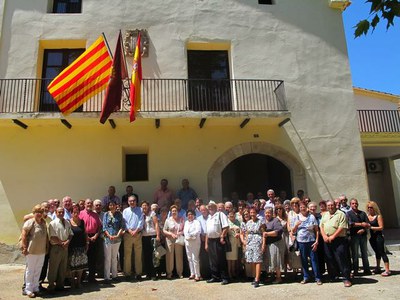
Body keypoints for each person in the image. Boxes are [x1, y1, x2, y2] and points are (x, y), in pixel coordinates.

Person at [320, 200, 352, 287]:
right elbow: (321, 226)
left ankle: (346, 278)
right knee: (329, 258)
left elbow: (342, 227)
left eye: (332, 205)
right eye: (329, 205)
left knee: (341, 258)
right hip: (326, 240)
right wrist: (324, 236)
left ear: (335, 205)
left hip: (338, 239)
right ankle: (333, 276)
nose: (330, 207)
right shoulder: (325, 214)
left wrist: (333, 236)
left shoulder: (341, 214)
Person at [20, 205, 48, 298]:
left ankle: (36, 288)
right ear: (34, 213)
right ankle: (28, 289)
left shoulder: (43, 223)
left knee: (38, 269)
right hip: (31, 251)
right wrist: (24, 247)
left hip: (41, 251)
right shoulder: (30, 222)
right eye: (37, 212)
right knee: (30, 271)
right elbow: (24, 234)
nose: (39, 214)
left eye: (41, 212)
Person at [292, 202, 322, 285]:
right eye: (301, 207)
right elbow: (293, 231)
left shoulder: (312, 217)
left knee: (314, 260)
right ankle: (306, 277)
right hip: (301, 242)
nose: (302, 209)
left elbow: (316, 230)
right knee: (304, 260)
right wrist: (296, 226)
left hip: (311, 241)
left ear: (307, 208)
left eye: (304, 207)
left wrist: (316, 241)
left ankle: (317, 277)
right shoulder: (296, 217)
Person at [48, 207, 73, 292]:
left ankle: (60, 285)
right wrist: (62, 243)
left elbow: (70, 234)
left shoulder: (67, 222)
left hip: (65, 248)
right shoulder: (52, 223)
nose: (61, 213)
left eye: (62, 212)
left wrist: (67, 242)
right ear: (56, 212)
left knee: (63, 267)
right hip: (56, 248)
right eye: (59, 212)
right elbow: (52, 236)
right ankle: (51, 286)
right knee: (53, 267)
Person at [205, 200, 229, 285]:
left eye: (212, 206)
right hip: (210, 240)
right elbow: (207, 232)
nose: (210, 207)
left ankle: (225, 278)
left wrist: (222, 236)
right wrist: (206, 244)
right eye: (209, 206)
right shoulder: (208, 217)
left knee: (221, 259)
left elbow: (226, 227)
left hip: (219, 240)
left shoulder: (220, 214)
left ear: (215, 207)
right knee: (212, 260)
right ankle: (215, 277)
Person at [79, 198, 102, 283]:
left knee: (93, 258)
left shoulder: (95, 214)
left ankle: (91, 277)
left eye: (90, 203)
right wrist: (87, 237)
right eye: (87, 203)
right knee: (84, 259)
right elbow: (79, 227)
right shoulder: (80, 214)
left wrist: (96, 235)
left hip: (94, 238)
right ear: (84, 204)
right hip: (84, 238)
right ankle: (82, 278)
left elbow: (99, 227)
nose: (89, 205)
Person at [346, 198, 371, 276]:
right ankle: (356, 270)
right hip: (354, 236)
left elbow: (368, 224)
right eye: (353, 203)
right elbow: (350, 224)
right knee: (355, 254)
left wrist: (363, 229)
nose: (355, 205)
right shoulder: (348, 214)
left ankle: (367, 270)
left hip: (363, 236)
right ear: (350, 205)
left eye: (356, 203)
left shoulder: (362, 213)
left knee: (364, 253)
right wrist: (361, 224)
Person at [122, 195, 144, 280]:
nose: (132, 202)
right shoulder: (125, 211)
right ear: (128, 202)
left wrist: (136, 230)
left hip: (137, 234)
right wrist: (129, 230)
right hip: (128, 234)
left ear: (136, 201)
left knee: (138, 254)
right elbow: (124, 222)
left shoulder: (140, 210)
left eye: (133, 200)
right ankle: (127, 273)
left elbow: (141, 221)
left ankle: (138, 273)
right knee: (127, 255)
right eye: (130, 201)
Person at [367, 201, 391, 276]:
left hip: (378, 237)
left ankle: (387, 269)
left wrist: (372, 227)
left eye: (371, 207)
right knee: (376, 252)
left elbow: (381, 227)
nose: (370, 209)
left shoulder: (378, 216)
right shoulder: (368, 216)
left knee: (382, 252)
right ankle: (378, 267)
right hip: (372, 237)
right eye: (368, 207)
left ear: (374, 208)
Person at [103, 200, 125, 283]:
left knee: (114, 257)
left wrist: (117, 235)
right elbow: (104, 227)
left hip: (117, 239)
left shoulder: (119, 215)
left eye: (113, 205)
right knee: (107, 258)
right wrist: (109, 236)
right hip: (107, 239)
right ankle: (107, 277)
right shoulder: (105, 214)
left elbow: (122, 226)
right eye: (110, 205)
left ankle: (115, 275)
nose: (111, 206)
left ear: (116, 206)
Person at [244, 207, 265, 288]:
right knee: (252, 260)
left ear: (256, 213)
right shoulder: (248, 222)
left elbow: (263, 234)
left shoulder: (260, 222)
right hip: (250, 242)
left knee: (258, 261)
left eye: (254, 212)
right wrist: (245, 243)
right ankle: (254, 277)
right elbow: (246, 233)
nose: (252, 214)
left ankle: (257, 279)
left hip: (257, 242)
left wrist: (263, 244)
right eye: (251, 213)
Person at [163, 205, 185, 279]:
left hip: (178, 239)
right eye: (173, 211)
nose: (174, 212)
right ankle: (169, 273)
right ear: (171, 212)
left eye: (175, 211)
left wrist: (179, 234)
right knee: (169, 256)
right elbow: (164, 230)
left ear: (178, 212)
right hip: (169, 239)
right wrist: (171, 234)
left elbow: (184, 230)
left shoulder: (181, 219)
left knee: (179, 256)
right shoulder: (168, 220)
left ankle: (180, 273)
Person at [69, 204, 88, 288]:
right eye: (74, 212)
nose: (75, 214)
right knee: (72, 266)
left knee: (81, 266)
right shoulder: (68, 222)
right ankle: (73, 282)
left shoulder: (82, 222)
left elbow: (85, 233)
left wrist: (87, 243)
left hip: (81, 247)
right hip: (72, 247)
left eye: (77, 212)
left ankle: (79, 282)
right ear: (71, 213)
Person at [263, 207, 284, 284]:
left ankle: (278, 278)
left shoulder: (275, 220)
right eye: (266, 213)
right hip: (268, 244)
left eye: (269, 213)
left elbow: (277, 232)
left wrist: (267, 234)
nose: (267, 214)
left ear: (272, 214)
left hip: (275, 243)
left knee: (276, 260)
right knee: (270, 261)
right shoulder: (264, 222)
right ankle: (272, 277)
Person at [141, 201, 160, 280]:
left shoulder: (152, 214)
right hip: (144, 236)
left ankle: (153, 274)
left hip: (152, 235)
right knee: (146, 255)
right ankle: (148, 273)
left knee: (154, 255)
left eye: (145, 205)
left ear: (148, 206)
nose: (144, 207)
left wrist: (158, 235)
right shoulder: (141, 215)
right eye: (143, 206)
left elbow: (156, 224)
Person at [184, 209, 202, 281]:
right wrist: (188, 236)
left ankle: (198, 275)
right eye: (188, 215)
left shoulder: (196, 222)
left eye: (191, 214)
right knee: (189, 258)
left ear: (194, 215)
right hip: (188, 242)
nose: (190, 216)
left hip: (195, 242)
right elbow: (185, 232)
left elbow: (198, 230)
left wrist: (191, 235)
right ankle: (192, 273)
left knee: (195, 258)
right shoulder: (186, 223)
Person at [287, 197, 302, 272]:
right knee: (292, 253)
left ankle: (302, 271)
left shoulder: (301, 212)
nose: (294, 204)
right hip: (292, 235)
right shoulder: (290, 213)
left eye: (296, 203)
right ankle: (295, 271)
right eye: (293, 203)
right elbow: (288, 224)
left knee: (300, 253)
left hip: (300, 235)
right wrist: (290, 234)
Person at [274, 203, 289, 272]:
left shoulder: (286, 217)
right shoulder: (274, 219)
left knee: (287, 253)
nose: (279, 210)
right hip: (279, 237)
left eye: (280, 209)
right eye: (277, 209)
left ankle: (286, 270)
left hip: (286, 236)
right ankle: (281, 270)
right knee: (281, 254)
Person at [197, 204, 211, 279]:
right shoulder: (198, 218)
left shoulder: (210, 217)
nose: (203, 211)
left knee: (211, 257)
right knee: (203, 258)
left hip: (210, 239)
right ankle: (204, 274)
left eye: (204, 210)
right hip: (202, 239)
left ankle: (211, 274)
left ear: (207, 210)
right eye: (201, 210)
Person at [226, 209, 240, 280]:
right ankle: (229, 273)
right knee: (229, 259)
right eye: (230, 215)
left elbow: (240, 229)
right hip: (229, 242)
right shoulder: (226, 222)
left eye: (233, 215)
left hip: (236, 241)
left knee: (234, 258)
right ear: (228, 215)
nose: (232, 216)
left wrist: (238, 232)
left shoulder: (237, 221)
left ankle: (233, 272)